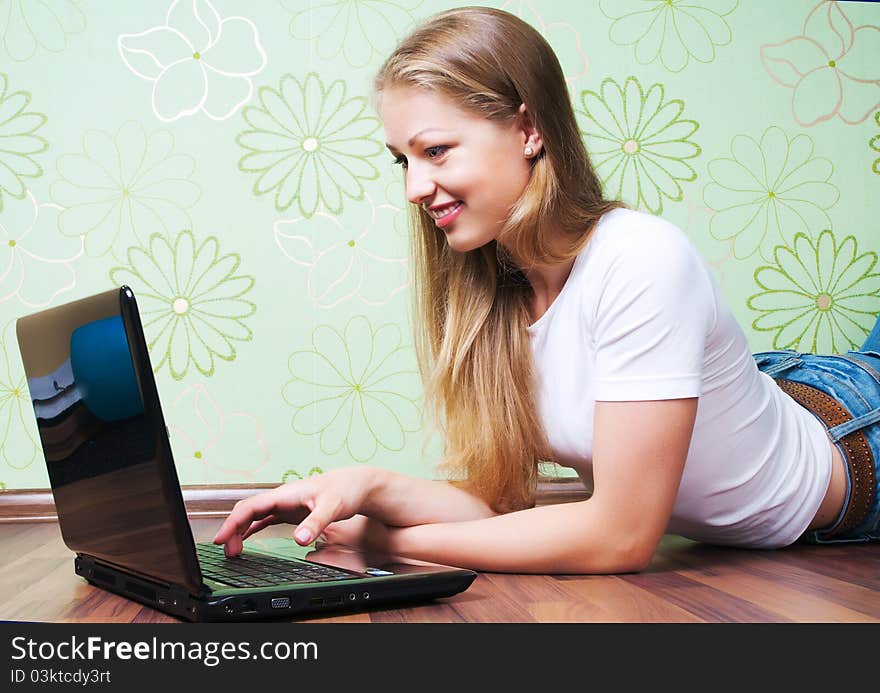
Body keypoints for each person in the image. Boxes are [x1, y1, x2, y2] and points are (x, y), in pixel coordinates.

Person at [213, 6, 880, 573]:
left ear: (529, 129)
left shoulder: (641, 259)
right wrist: (364, 487)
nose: (414, 187)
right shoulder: (496, 292)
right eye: (403, 160)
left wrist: (388, 542)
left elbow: (620, 536)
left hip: (851, 439)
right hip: (773, 395)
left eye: (436, 150)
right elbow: (499, 510)